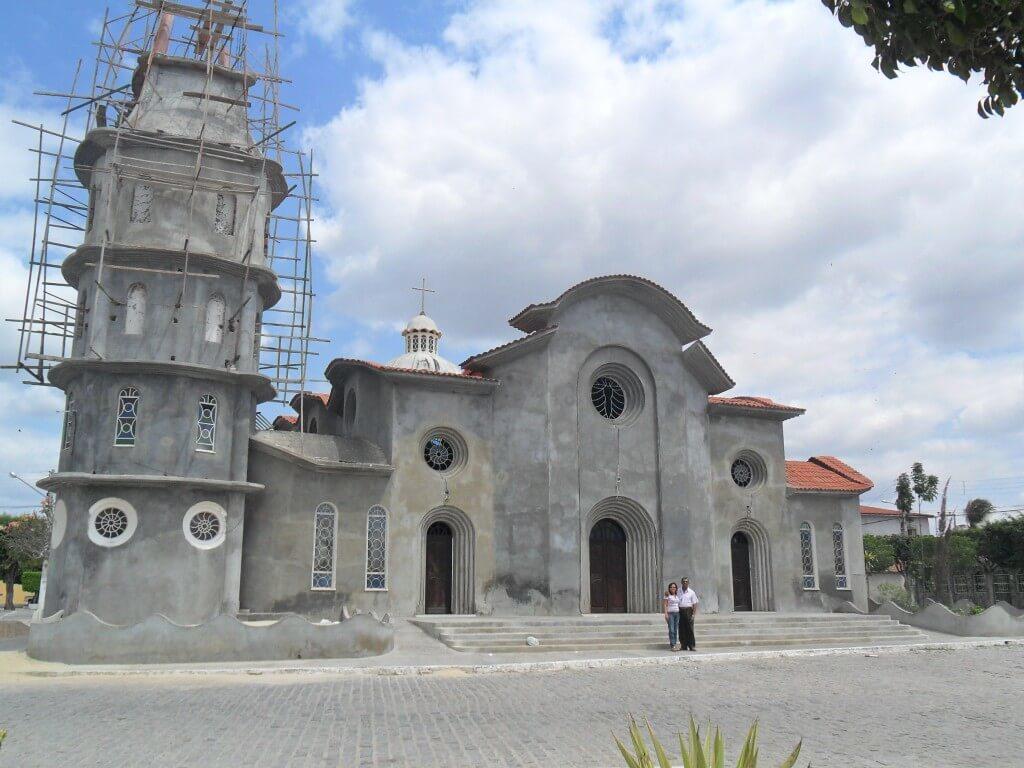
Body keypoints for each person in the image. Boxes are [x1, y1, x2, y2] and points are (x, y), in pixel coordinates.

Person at [678, 577, 699, 651]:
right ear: (681, 582)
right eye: (683, 581)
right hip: (680, 610)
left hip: (688, 610)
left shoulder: (691, 592)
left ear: (688, 583)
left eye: (686, 581)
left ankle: (691, 645)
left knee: (690, 629)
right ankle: (683, 645)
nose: (685, 583)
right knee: (681, 629)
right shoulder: (678, 591)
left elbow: (695, 603)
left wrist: (693, 614)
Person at [663, 581, 681, 651]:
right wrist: (666, 614)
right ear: (669, 588)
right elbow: (665, 605)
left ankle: (675, 644)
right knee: (671, 630)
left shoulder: (677, 595)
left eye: (674, 587)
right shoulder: (667, 595)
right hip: (670, 613)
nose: (673, 588)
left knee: (675, 629)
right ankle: (672, 645)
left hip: (677, 613)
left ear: (676, 588)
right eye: (671, 587)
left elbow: (678, 604)